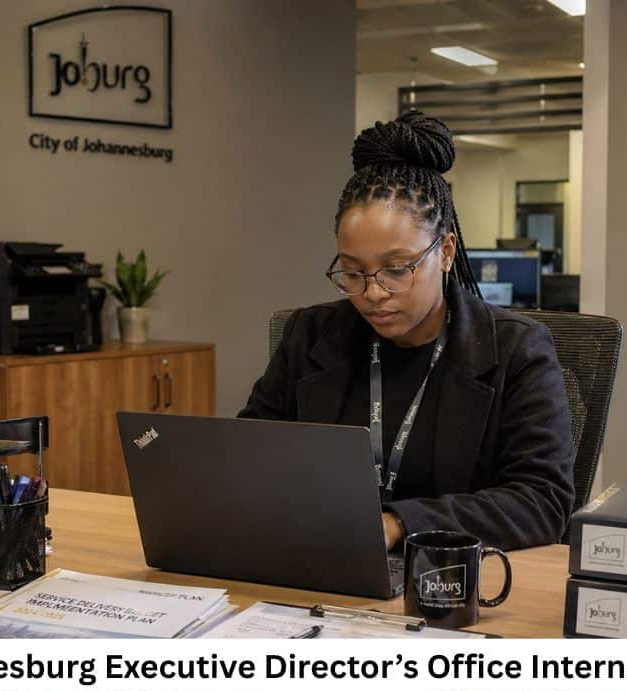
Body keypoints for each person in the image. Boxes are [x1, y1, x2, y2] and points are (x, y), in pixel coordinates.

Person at [239, 110, 574, 551]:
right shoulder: (311, 336)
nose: (374, 293)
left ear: (447, 252)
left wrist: (398, 524)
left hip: (450, 580)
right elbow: (248, 458)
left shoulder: (515, 350)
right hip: (321, 565)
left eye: (397, 270)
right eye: (354, 272)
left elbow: (541, 502)